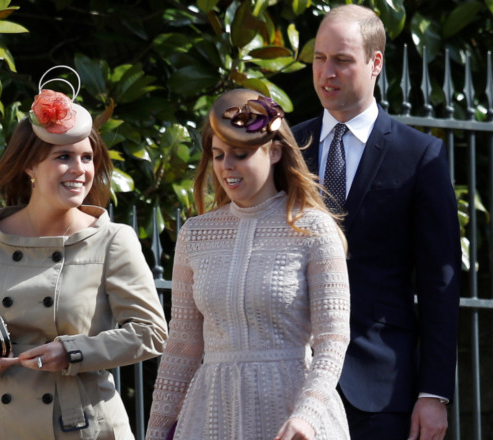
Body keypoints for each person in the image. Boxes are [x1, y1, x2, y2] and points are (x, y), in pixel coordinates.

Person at [0, 66, 169, 440]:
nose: (79, 170)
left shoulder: (113, 239)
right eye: (63, 157)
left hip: (79, 426)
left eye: (87, 158)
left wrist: (73, 352)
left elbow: (152, 333)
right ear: (30, 165)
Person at [292, 5, 461, 440]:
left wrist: (434, 392)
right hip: (292, 379)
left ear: (376, 63)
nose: (327, 72)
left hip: (381, 388)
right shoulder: (286, 149)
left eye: (343, 60)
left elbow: (440, 282)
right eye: (319, 58)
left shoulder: (420, 155)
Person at [145, 88, 351, 440]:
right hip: (211, 416)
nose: (227, 166)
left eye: (240, 154)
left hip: (293, 416)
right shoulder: (195, 234)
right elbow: (182, 344)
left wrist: (308, 415)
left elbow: (333, 337)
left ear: (273, 152)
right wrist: (155, 431)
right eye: (218, 155)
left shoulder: (313, 228)